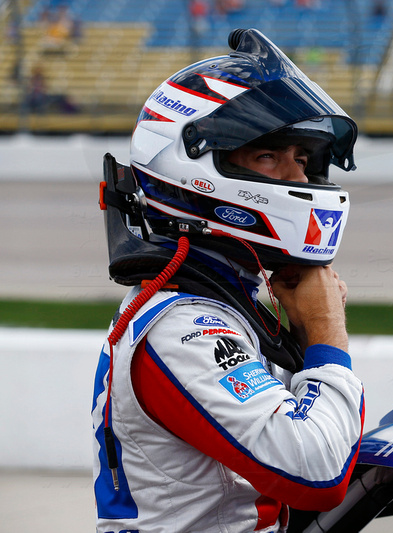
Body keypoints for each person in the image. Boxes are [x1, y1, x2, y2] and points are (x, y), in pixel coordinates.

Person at [92, 28, 364, 533]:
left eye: (302, 159)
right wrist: (327, 333)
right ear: (196, 172)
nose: (300, 180)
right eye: (269, 157)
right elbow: (317, 473)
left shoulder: (222, 302)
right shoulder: (184, 329)